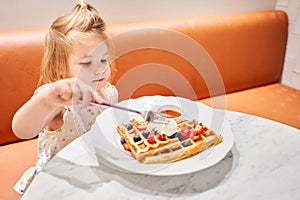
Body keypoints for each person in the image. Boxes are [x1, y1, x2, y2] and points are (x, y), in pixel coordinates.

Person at [12, 0, 118, 194]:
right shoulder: (57, 100)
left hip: (99, 174)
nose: (100, 67)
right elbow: (22, 129)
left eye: (104, 59)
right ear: (61, 67)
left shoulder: (108, 93)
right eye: (86, 63)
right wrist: (46, 99)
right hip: (61, 180)